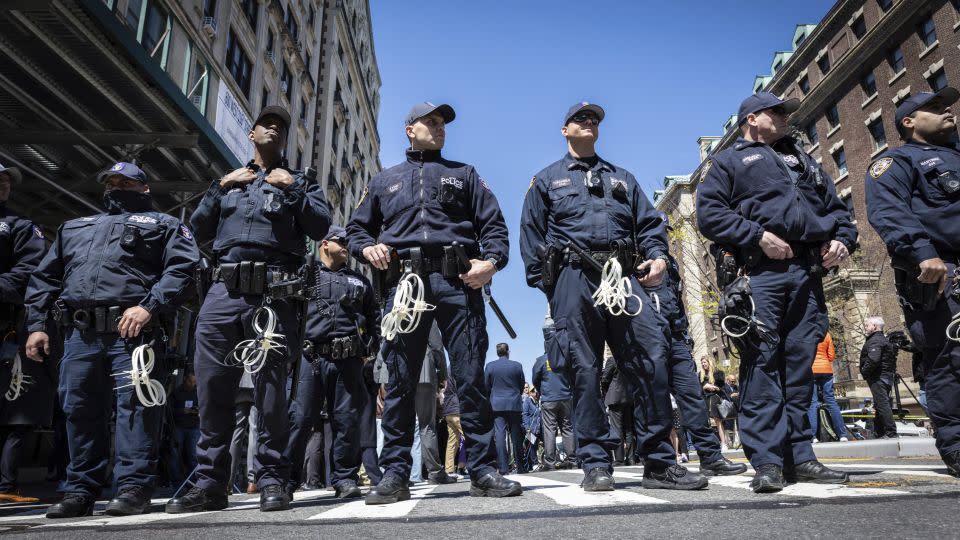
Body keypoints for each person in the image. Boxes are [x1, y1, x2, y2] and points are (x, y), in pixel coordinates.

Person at [521, 102, 706, 491]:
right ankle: (595, 462)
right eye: (581, 119)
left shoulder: (623, 178)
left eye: (595, 120)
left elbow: (650, 224)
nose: (589, 123)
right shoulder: (545, 180)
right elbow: (531, 239)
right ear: (564, 130)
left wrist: (656, 257)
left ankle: (657, 463)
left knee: (650, 359)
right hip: (574, 280)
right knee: (584, 371)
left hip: (623, 278)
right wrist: (554, 290)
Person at [347, 101, 519, 503]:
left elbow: (494, 227)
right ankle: (394, 473)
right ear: (410, 129)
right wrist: (366, 248)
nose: (439, 128)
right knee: (401, 379)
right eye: (431, 121)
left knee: (471, 375)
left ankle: (483, 470)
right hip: (404, 286)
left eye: (442, 123)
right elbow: (356, 229)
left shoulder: (465, 174)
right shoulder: (383, 180)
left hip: (457, 282)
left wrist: (490, 263)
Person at [168, 105, 330, 513]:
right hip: (222, 294)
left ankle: (273, 479)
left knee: (271, 394)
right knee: (212, 391)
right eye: (267, 125)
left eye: (281, 127)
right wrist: (219, 186)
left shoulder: (302, 181)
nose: (273, 130)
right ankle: (210, 483)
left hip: (274, 294)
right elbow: (196, 230)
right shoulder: (229, 182)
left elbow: (321, 227)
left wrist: (292, 188)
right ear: (251, 134)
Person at [697, 91, 857, 492]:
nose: (786, 118)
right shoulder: (729, 161)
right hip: (761, 273)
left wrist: (842, 239)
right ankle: (768, 462)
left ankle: (801, 456)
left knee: (800, 367)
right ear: (752, 118)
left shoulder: (802, 159)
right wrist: (758, 236)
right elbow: (710, 214)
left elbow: (836, 209)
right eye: (777, 112)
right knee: (763, 365)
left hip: (807, 272)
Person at [24, 162, 199, 517]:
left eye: (126, 181)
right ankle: (80, 491)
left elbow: (183, 270)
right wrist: (37, 324)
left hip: (133, 334)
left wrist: (149, 307)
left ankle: (134, 488)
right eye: (111, 181)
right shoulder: (74, 227)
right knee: (78, 411)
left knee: (136, 411)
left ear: (144, 188)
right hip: (80, 335)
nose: (115, 186)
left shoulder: (165, 225)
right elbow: (45, 278)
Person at [864, 87, 960, 476]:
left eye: (947, 104)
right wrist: (925, 254)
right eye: (935, 108)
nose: (948, 110)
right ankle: (955, 445)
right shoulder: (894, 163)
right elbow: (889, 214)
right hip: (942, 272)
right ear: (909, 121)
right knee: (950, 360)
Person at [282, 226, 380, 498]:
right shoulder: (305, 275)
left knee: (346, 421)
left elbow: (374, 318)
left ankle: (345, 478)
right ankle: (287, 481)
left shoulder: (360, 281)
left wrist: (369, 350)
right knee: (300, 419)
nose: (347, 245)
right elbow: (288, 313)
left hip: (348, 361)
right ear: (325, 244)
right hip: (310, 358)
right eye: (342, 241)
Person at [643, 250, 746, 476]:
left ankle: (710, 456)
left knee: (692, 396)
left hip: (677, 334)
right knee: (655, 401)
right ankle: (661, 465)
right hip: (648, 335)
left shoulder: (669, 261)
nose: (660, 235)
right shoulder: (638, 258)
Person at [0, 163, 50, 503]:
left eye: (5, 181)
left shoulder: (19, 226)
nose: (3, 185)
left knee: (14, 412)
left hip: (5, 330)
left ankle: (5, 485)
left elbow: (31, 271)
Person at [531, 318, 575, 471]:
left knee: (549, 429)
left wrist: (542, 390)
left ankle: (550, 462)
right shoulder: (564, 359)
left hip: (549, 399)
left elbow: (535, 379)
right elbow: (571, 375)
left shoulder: (541, 361)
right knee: (567, 428)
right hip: (565, 396)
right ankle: (572, 459)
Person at [415, 323, 454, 484]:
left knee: (399, 425)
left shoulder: (392, 307)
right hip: (423, 371)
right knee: (426, 425)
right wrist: (443, 373)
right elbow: (437, 346)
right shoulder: (424, 310)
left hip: (397, 372)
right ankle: (435, 472)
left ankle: (398, 473)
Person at [485, 343, 527, 474]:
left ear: (498, 353)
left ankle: (503, 468)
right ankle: (521, 466)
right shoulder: (517, 365)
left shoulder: (490, 366)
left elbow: (486, 386)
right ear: (508, 352)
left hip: (497, 404)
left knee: (500, 436)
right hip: (514, 403)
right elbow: (521, 385)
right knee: (516, 436)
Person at [858, 317, 898, 439]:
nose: (865, 327)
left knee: (882, 404)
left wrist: (864, 372)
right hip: (885, 376)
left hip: (878, 377)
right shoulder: (883, 340)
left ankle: (891, 432)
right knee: (879, 404)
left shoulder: (875, 341)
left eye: (867, 325)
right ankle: (879, 433)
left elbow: (873, 359)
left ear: (874, 326)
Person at [808, 331, 850, 442]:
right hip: (826, 370)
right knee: (831, 401)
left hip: (811, 369)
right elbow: (831, 355)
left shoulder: (807, 331)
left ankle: (813, 436)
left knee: (813, 402)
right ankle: (842, 435)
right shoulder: (825, 333)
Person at [600, 356, 634, 466]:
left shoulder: (612, 359)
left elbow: (605, 379)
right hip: (628, 397)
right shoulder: (629, 359)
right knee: (628, 429)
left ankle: (619, 458)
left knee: (616, 428)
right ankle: (631, 457)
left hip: (615, 397)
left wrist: (606, 394)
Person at [171, 371, 201, 481]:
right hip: (179, 426)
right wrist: (182, 411)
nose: (192, 384)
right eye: (190, 381)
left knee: (193, 456)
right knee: (176, 455)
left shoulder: (198, 392)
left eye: (194, 382)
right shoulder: (176, 392)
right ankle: (177, 481)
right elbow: (169, 410)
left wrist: (197, 410)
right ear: (184, 379)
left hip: (194, 427)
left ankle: (192, 482)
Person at [698, 356, 729, 451]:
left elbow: (723, 388)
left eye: (705, 362)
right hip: (705, 399)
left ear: (709, 362)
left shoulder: (717, 373)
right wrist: (704, 387)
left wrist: (714, 387)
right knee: (708, 423)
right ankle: (715, 443)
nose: (703, 364)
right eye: (702, 363)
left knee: (717, 421)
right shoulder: (700, 375)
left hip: (715, 398)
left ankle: (723, 443)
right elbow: (699, 388)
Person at [441, 367, 463, 478]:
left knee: (452, 441)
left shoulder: (447, 370)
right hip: (457, 409)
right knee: (470, 437)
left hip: (448, 409)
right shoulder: (457, 368)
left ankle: (449, 470)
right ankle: (478, 468)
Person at [522, 387, 542, 470]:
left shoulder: (537, 402)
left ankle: (535, 463)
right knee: (532, 446)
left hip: (538, 428)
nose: (535, 392)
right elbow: (525, 414)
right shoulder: (527, 401)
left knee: (535, 445)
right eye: (533, 391)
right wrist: (527, 427)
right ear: (530, 393)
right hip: (530, 428)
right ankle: (534, 464)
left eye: (535, 391)